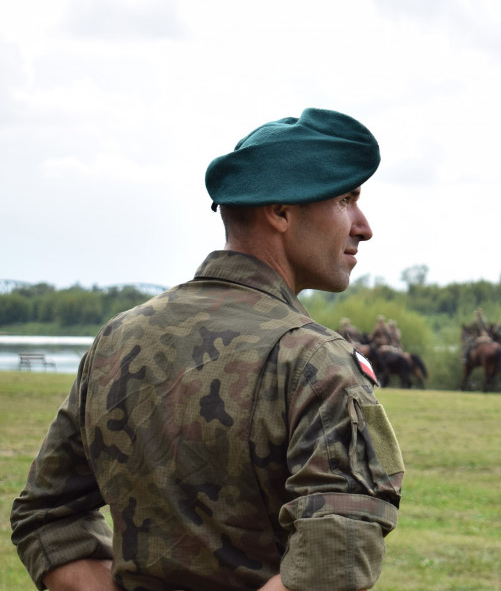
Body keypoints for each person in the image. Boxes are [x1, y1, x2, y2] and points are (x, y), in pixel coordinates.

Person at [10, 108, 404, 591]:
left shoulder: (119, 339)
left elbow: (46, 516)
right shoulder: (312, 360)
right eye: (346, 199)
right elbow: (333, 559)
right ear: (281, 212)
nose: (363, 227)